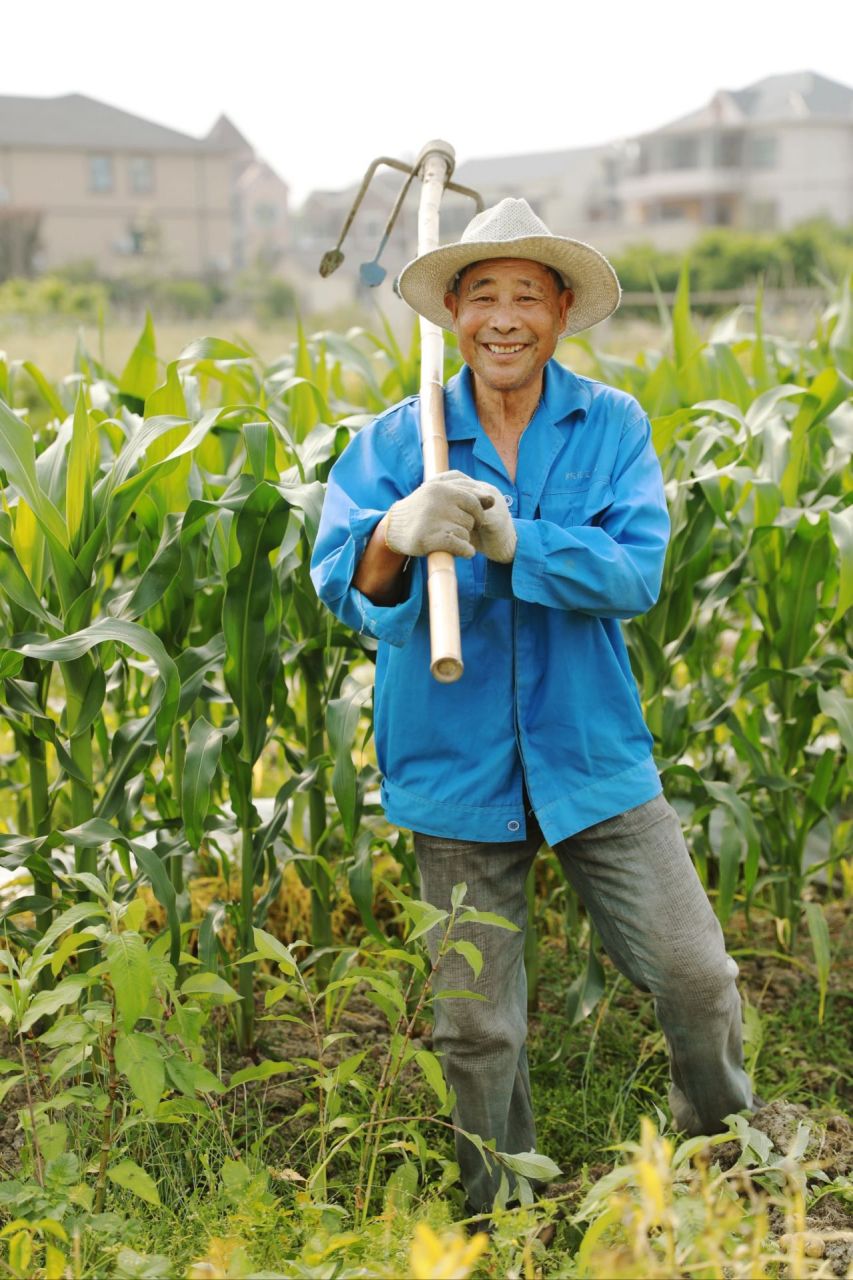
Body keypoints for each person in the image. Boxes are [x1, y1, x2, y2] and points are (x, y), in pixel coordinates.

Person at [310, 198, 754, 1215]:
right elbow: (343, 584)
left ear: (559, 311)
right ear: (452, 314)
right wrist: (391, 532)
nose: (503, 318)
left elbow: (636, 572)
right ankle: (499, 1212)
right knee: (476, 1027)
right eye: (482, 296)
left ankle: (728, 1160)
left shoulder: (611, 424)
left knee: (696, 973)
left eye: (526, 296)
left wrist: (518, 543)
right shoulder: (397, 440)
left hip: (591, 749)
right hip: (452, 758)